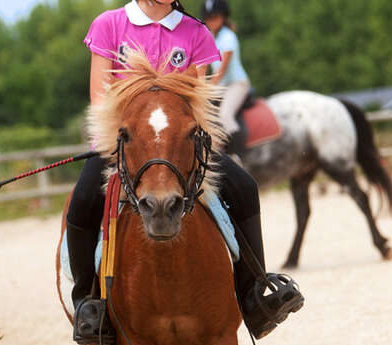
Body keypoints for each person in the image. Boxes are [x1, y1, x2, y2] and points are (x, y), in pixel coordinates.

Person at [67, 1, 303, 344]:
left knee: (245, 187)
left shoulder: (196, 32)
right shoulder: (109, 24)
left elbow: (196, 100)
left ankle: (255, 293)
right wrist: (130, 136)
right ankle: (88, 306)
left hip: (179, 145)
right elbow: (99, 98)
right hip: (124, 143)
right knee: (83, 199)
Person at [201, 0, 251, 155]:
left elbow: (222, 70)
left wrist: (206, 88)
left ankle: (240, 157)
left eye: (215, 17)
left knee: (225, 115)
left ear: (223, 17)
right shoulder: (211, 37)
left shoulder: (228, 37)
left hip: (236, 85)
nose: (211, 21)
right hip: (221, 85)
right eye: (208, 18)